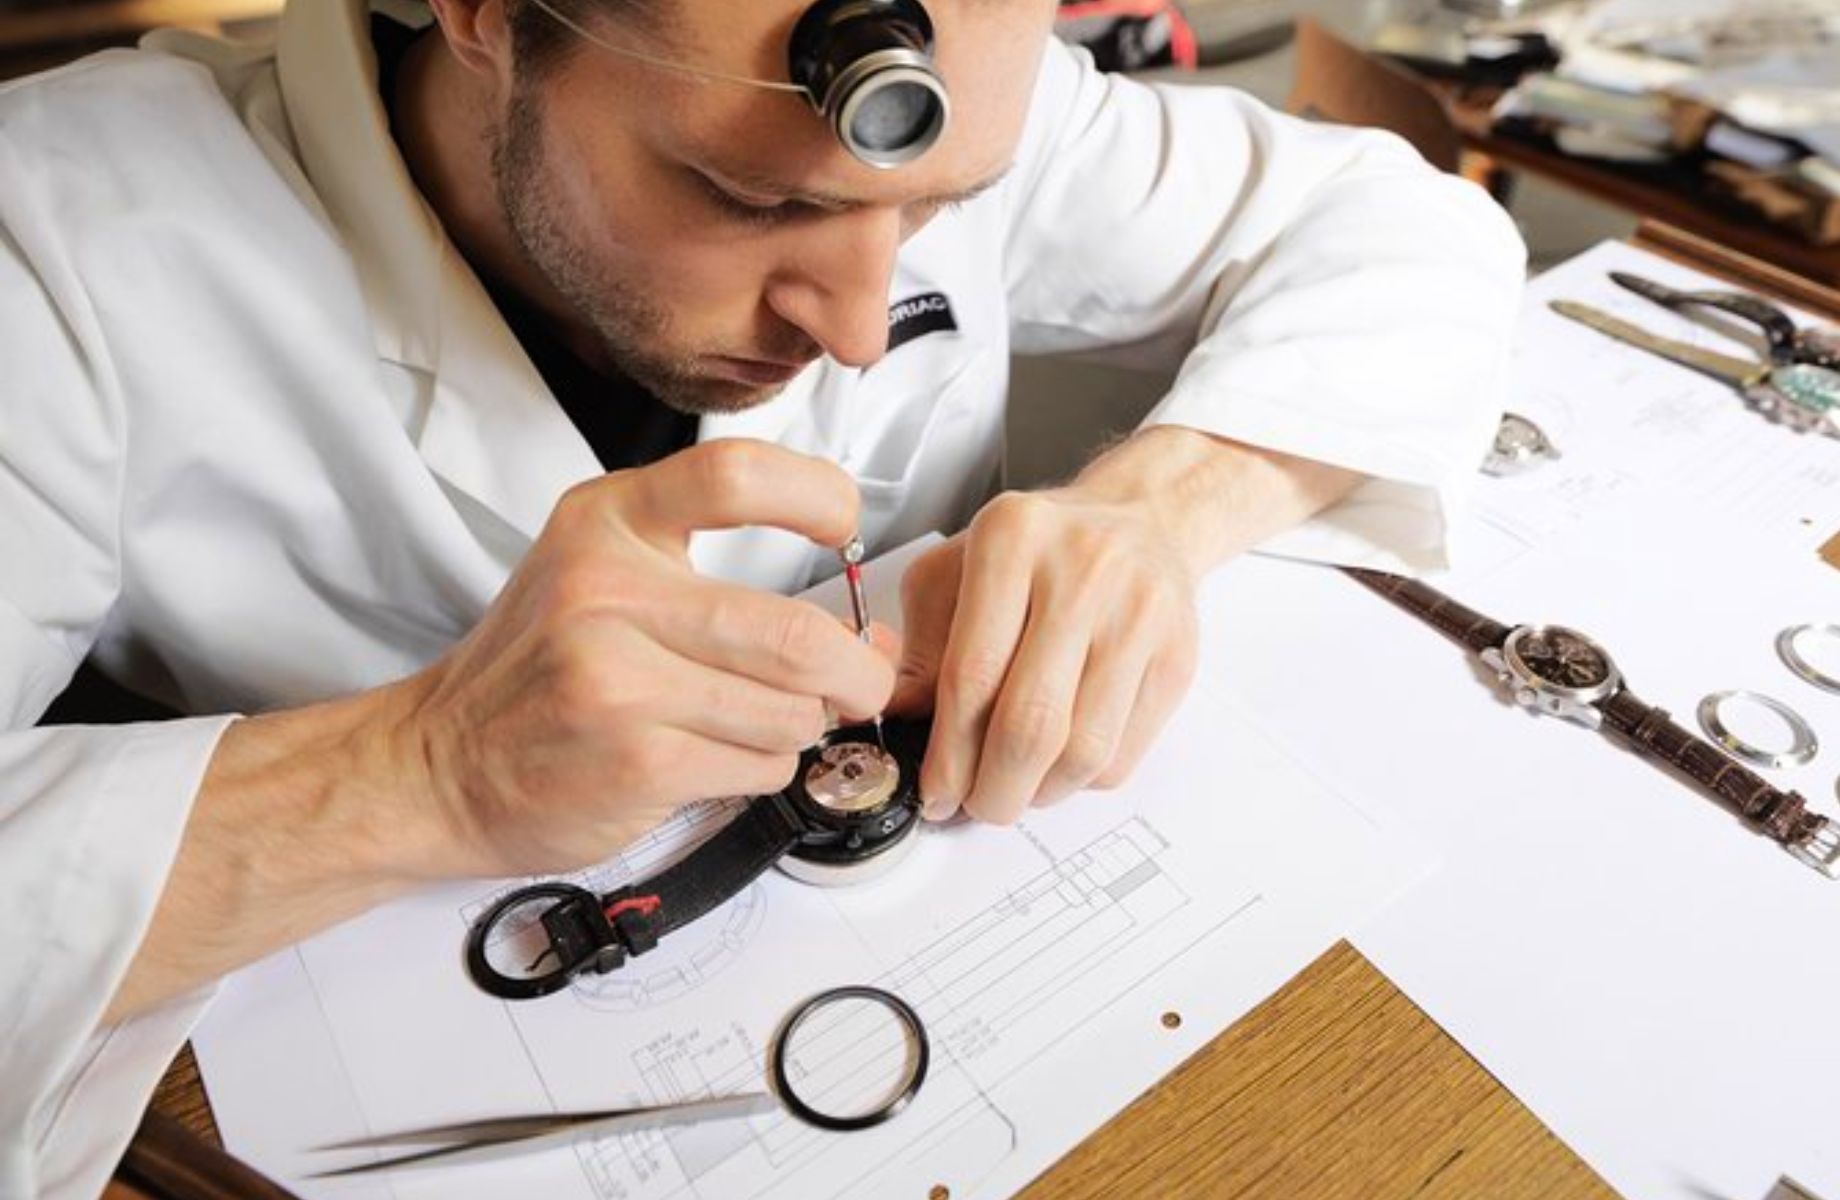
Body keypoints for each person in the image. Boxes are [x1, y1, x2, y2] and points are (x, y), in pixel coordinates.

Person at [0, 0, 1523, 1193]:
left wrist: (1152, 510)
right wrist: (419, 772)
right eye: (749, 198)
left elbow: (1419, 234)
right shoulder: (54, 237)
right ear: (484, 8)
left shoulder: (981, 96)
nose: (860, 328)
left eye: (930, 217)